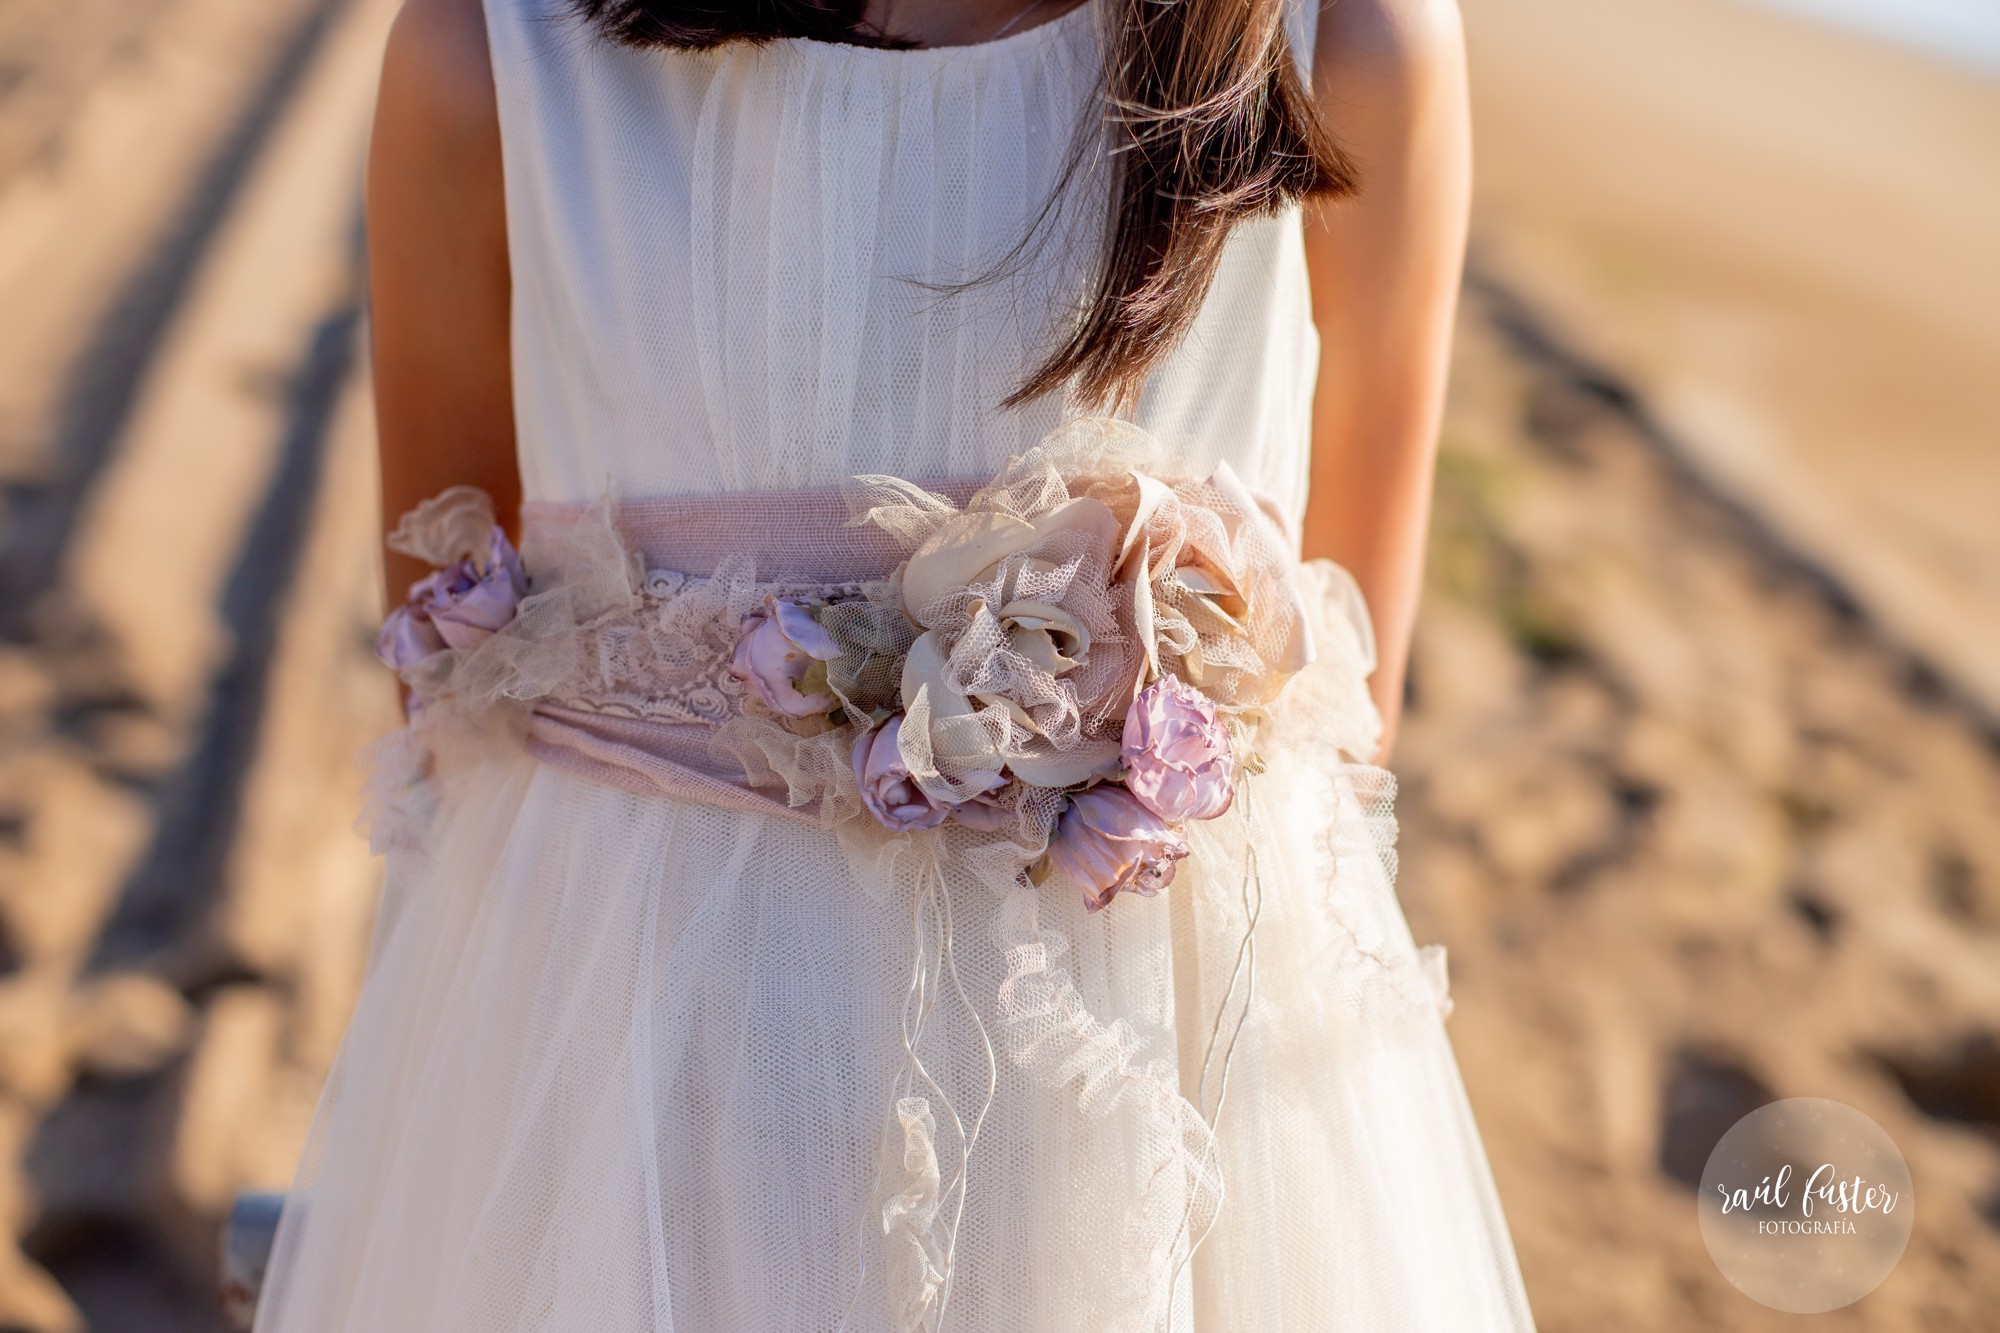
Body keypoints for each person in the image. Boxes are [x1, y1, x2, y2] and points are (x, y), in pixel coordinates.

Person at [255, 0, 1536, 1327]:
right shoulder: (494, 54)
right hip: (638, 1123)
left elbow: (1332, 714)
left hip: (1147, 1146)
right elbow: (452, 673)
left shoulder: (1350, 46)